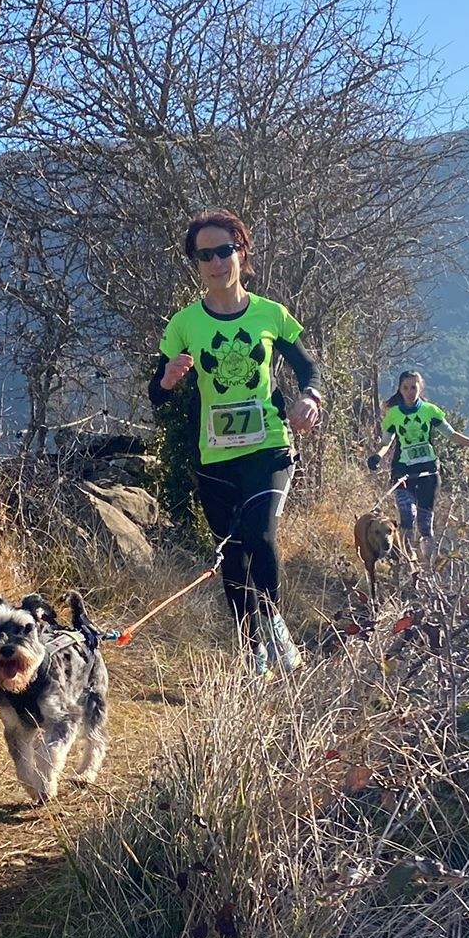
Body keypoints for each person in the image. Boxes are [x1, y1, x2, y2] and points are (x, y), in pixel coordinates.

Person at [148, 212, 323, 674]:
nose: (216, 262)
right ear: (196, 263)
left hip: (268, 445)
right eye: (204, 255)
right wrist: (166, 381)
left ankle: (273, 626)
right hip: (214, 457)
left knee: (261, 536)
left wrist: (310, 398)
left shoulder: (270, 314)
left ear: (241, 252)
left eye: (224, 250)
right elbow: (156, 394)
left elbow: (308, 369)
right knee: (231, 553)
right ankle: (252, 649)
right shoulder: (185, 324)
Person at [367, 369, 469, 563]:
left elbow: (451, 434)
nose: (410, 391)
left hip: (428, 473)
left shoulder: (430, 411)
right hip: (403, 472)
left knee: (425, 524)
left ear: (420, 387)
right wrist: (377, 456)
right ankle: (407, 562)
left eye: (414, 387)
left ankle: (426, 566)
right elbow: (387, 441)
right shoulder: (393, 414)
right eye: (406, 388)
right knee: (407, 517)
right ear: (400, 389)